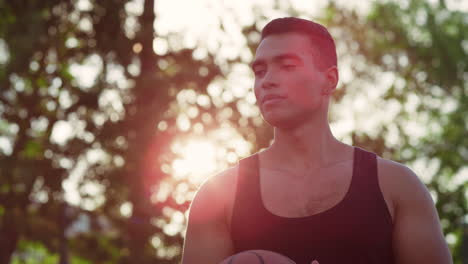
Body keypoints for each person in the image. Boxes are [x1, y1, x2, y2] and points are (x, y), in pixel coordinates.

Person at [181, 17, 453, 264]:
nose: (267, 81)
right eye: (260, 71)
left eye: (286, 66)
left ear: (330, 79)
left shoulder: (397, 186)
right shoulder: (217, 197)